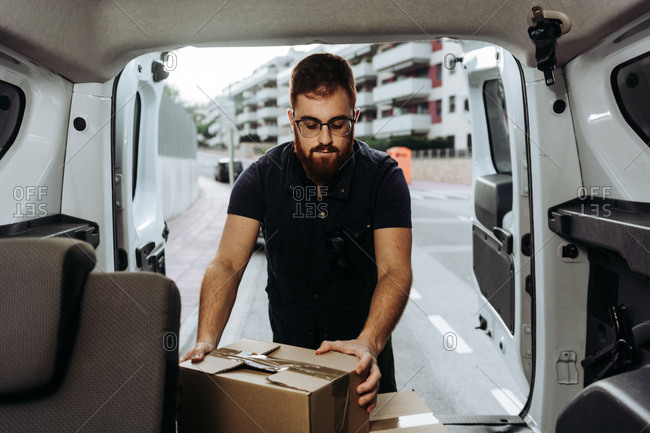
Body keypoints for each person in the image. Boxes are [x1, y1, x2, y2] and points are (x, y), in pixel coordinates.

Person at [180, 53, 412, 413]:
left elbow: (395, 271)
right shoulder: (259, 177)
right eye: (310, 124)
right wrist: (206, 340)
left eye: (338, 124)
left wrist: (368, 343)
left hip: (364, 364)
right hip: (289, 373)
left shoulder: (384, 178)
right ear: (292, 120)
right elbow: (226, 263)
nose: (325, 139)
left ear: (355, 118)